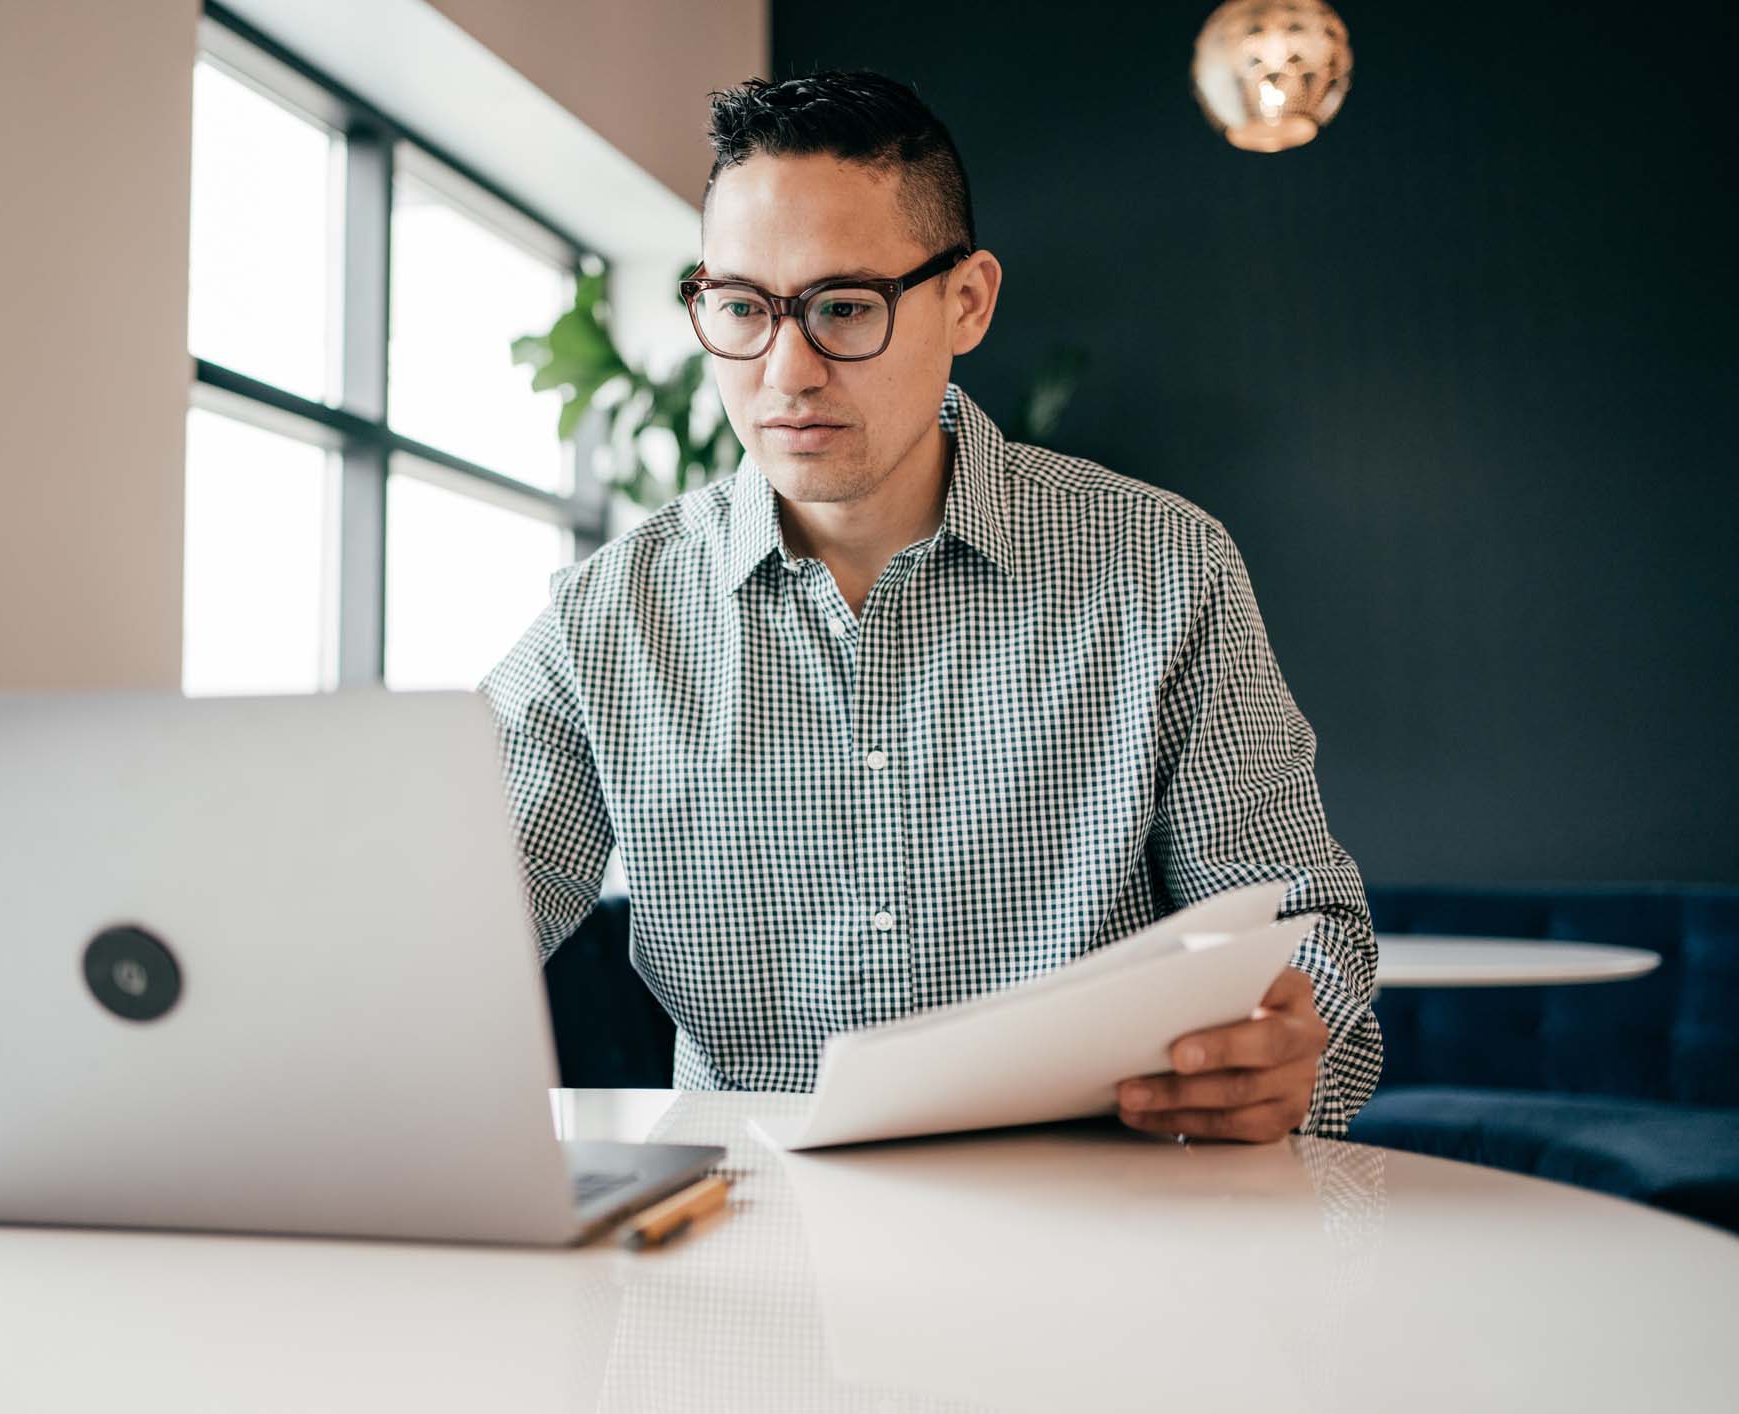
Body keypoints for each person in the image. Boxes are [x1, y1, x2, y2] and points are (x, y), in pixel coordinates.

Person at [480, 71, 1380, 1141]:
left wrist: (1288, 1038)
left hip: (1096, 1233)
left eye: (843, 308)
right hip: (745, 1255)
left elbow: (1301, 925)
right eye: (738, 309)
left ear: (967, 301)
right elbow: (437, 921)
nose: (786, 372)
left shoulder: (1160, 568)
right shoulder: (606, 618)